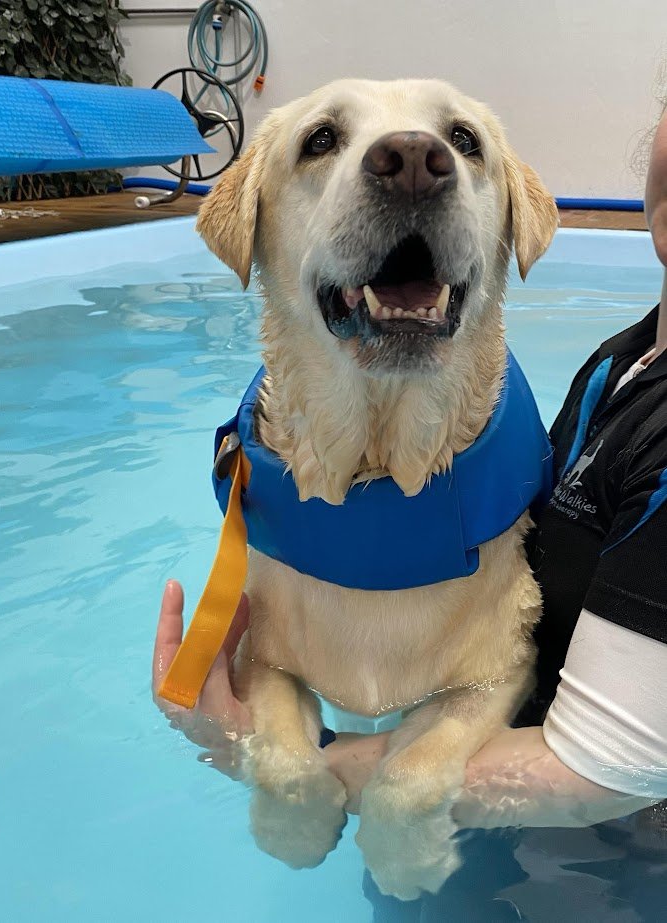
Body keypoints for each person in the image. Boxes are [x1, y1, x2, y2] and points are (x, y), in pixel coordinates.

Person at [152, 105, 667, 833]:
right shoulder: (623, 362)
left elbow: (603, 774)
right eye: (323, 142)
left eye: (457, 145)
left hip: (605, 858)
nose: (412, 159)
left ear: (509, 224)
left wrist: (259, 756)